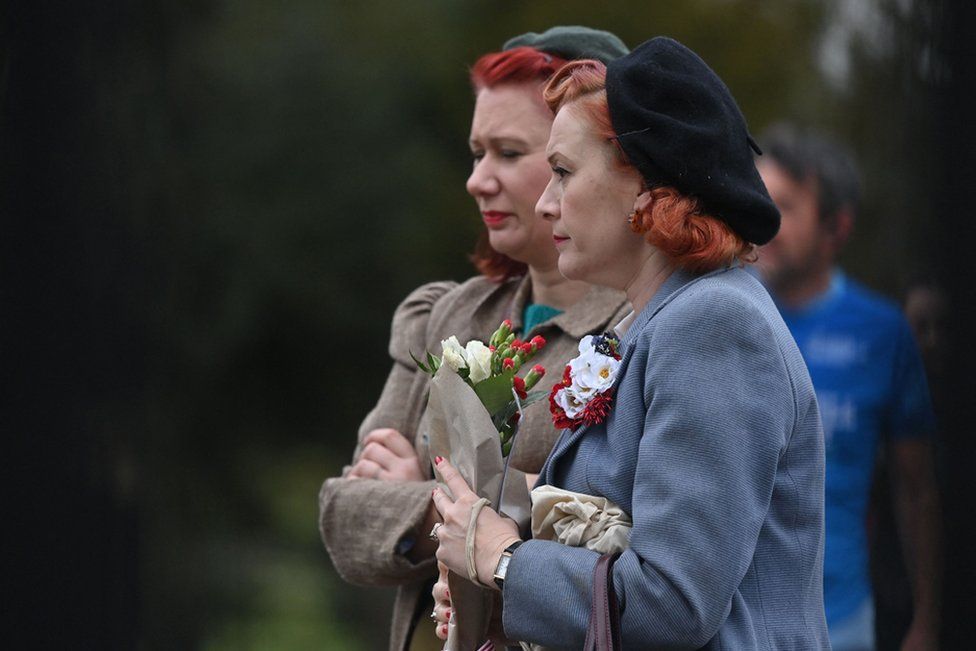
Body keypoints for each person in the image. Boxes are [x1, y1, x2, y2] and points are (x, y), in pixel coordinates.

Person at [430, 37, 829, 649]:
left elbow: (671, 607)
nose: (544, 202)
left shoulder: (716, 324)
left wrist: (504, 560)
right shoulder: (655, 320)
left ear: (648, 188)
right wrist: (496, 584)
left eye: (562, 171)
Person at [317, 26, 631, 651]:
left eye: (510, 153)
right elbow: (344, 518)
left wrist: (425, 498)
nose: (477, 180)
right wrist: (481, 509)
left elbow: (612, 536)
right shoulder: (446, 314)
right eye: (475, 152)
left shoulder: (642, 323)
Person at [756, 123, 942, 651]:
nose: (766, 221)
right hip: (728, 616)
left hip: (839, 620)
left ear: (836, 226)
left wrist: (927, 620)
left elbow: (917, 487)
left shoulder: (883, 332)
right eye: (759, 201)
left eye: (787, 206)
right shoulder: (720, 314)